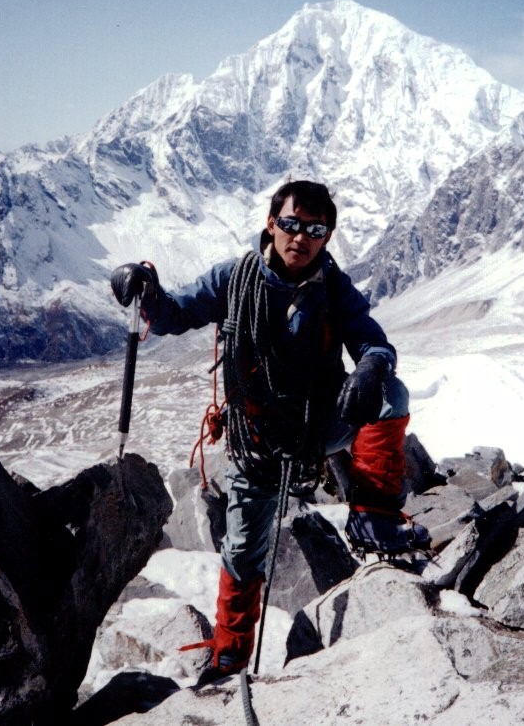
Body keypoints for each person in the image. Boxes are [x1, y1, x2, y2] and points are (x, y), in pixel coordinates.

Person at [111, 179, 428, 679]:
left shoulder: (333, 286)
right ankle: (232, 652)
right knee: (241, 551)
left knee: (392, 392)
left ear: (326, 237)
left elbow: (375, 342)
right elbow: (175, 312)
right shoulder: (235, 278)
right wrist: (147, 292)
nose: (300, 236)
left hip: (315, 429)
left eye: (315, 229)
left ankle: (373, 520)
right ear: (271, 224)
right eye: (291, 223)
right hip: (254, 442)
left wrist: (371, 366)